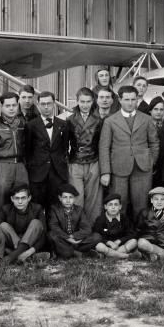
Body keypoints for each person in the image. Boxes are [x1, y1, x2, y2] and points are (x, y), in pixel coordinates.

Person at [99, 85, 159, 224]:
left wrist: (151, 162)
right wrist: (105, 172)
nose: (130, 103)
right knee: (119, 203)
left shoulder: (146, 119)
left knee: (141, 204)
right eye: (127, 99)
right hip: (118, 168)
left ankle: (140, 234)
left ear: (138, 99)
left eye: (133, 99)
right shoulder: (110, 121)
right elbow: (104, 147)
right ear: (119, 100)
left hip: (142, 168)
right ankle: (119, 231)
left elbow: (154, 143)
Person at [0, 92, 29, 221]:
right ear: (1, 107)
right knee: (0, 201)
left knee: (22, 201)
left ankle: (19, 233)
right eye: (8, 105)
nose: (11, 108)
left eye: (14, 105)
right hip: (2, 166)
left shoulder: (23, 124)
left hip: (20, 167)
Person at [25, 91, 69, 209]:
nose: (46, 107)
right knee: (37, 206)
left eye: (49, 103)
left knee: (56, 207)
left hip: (57, 173)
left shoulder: (63, 124)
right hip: (38, 174)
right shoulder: (31, 125)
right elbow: (28, 150)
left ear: (54, 104)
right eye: (43, 104)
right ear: (38, 105)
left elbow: (64, 147)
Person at [67, 87, 104, 224]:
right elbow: (66, 144)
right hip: (75, 161)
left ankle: (93, 227)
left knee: (93, 199)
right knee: (77, 197)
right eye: (82, 101)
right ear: (77, 101)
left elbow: (102, 143)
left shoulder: (99, 120)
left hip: (93, 161)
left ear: (93, 101)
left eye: (88, 101)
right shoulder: (69, 120)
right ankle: (76, 226)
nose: (85, 105)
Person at [48, 184, 102, 259]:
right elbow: (54, 226)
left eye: (71, 197)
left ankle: (68, 252)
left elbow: (87, 228)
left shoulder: (79, 210)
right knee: (52, 235)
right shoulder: (55, 209)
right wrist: (68, 238)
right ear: (60, 198)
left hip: (76, 240)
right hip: (63, 239)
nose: (68, 200)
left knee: (97, 236)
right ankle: (77, 253)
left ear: (74, 199)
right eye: (65, 197)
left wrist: (73, 237)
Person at [0, 184, 48, 264]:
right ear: (12, 199)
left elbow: (44, 235)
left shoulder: (37, 208)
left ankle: (11, 257)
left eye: (23, 198)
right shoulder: (5, 209)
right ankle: (25, 257)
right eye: (17, 198)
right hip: (13, 243)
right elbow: (0, 235)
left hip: (31, 243)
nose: (20, 201)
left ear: (29, 198)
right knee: (3, 226)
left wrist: (30, 251)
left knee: (36, 223)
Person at [93, 193, 138, 259]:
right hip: (107, 245)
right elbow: (96, 235)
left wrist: (119, 241)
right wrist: (108, 242)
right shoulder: (100, 219)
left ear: (120, 206)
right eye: (110, 205)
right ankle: (126, 256)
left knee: (134, 242)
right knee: (99, 246)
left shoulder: (124, 218)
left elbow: (132, 234)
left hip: (120, 246)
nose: (113, 207)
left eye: (116, 204)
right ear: (105, 207)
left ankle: (109, 255)